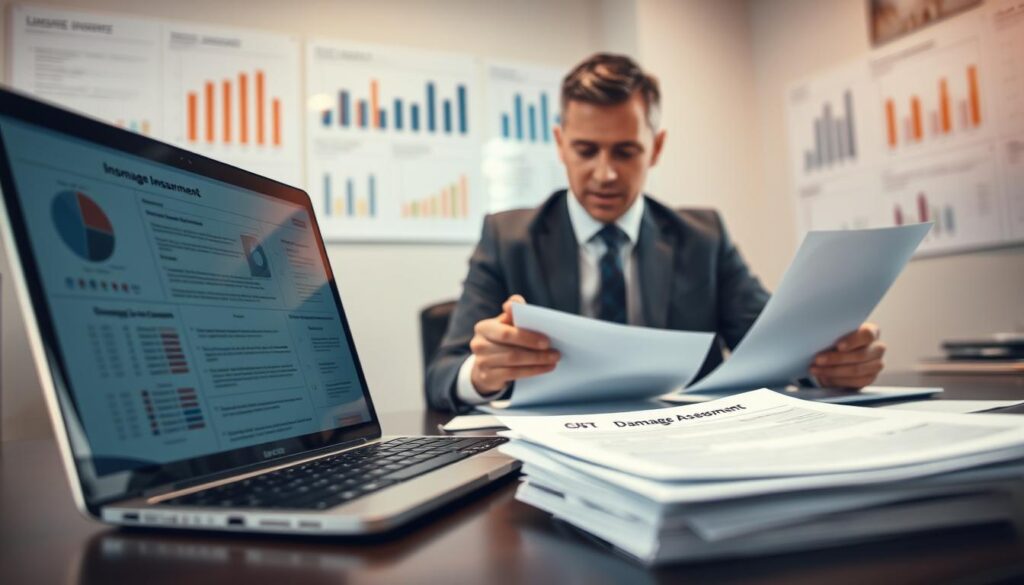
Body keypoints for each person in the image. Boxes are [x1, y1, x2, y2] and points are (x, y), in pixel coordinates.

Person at [425, 53, 886, 412]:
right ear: (560, 144)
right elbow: (442, 374)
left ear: (657, 148)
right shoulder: (508, 237)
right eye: (586, 150)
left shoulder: (703, 237)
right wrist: (483, 373)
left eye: (626, 151)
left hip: (687, 443)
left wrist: (830, 363)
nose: (605, 174)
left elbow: (775, 346)